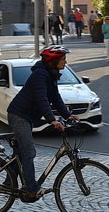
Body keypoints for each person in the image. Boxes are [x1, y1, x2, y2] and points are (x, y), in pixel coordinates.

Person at [6, 46, 78, 202]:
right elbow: (42, 99)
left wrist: (67, 115)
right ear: (54, 61)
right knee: (29, 151)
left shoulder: (50, 75)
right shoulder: (40, 75)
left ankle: (8, 183)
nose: (65, 62)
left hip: (28, 117)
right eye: (63, 59)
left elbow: (55, 98)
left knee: (20, 152)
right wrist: (52, 120)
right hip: (19, 115)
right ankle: (31, 189)